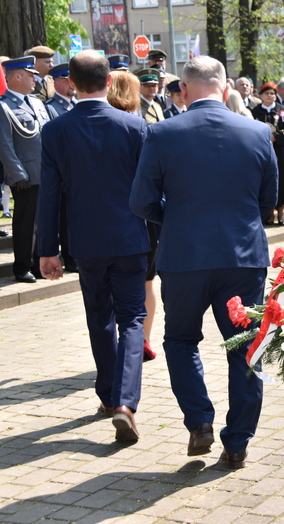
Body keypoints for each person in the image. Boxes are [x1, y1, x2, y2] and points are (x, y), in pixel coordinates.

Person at [130, 55, 279, 469]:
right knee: (245, 347)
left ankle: (199, 420)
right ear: (226, 86)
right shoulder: (257, 132)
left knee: (180, 340)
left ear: (184, 89)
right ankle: (238, 441)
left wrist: (175, 217)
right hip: (243, 256)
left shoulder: (161, 132)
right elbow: (268, 201)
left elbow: (141, 201)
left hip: (183, 256)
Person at [38, 50, 149, 441]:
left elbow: (49, 195)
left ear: (69, 82)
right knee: (133, 318)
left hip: (85, 241)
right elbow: (150, 188)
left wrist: (47, 249)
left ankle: (108, 395)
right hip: (131, 237)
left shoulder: (54, 131)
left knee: (99, 316)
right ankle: (125, 401)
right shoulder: (135, 127)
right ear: (108, 81)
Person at [106, 69, 159, 362]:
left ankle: (124, 339)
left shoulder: (97, 125)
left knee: (113, 286)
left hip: (108, 218)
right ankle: (143, 340)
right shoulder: (140, 127)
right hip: (141, 216)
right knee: (147, 282)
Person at [0, 56, 51, 283]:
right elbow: (5, 145)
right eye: (30, 75)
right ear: (17, 76)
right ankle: (22, 266)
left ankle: (40, 263)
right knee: (26, 223)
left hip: (44, 172)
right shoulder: (4, 106)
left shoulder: (38, 103)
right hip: (26, 175)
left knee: (43, 221)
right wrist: (18, 174)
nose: (35, 79)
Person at [43, 62, 79, 274]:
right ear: (56, 82)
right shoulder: (50, 107)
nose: (70, 83)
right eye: (65, 79)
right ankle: (69, 257)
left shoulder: (77, 104)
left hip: (78, 172)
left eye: (71, 79)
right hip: (63, 171)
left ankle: (73, 254)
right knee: (65, 218)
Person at [251, 82, 284, 226]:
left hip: (280, 152)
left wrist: (275, 137)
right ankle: (268, 214)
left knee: (281, 181)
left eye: (272, 93)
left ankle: (281, 215)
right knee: (266, 180)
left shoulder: (282, 110)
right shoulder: (256, 111)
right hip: (262, 151)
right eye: (267, 93)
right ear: (261, 95)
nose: (270, 96)